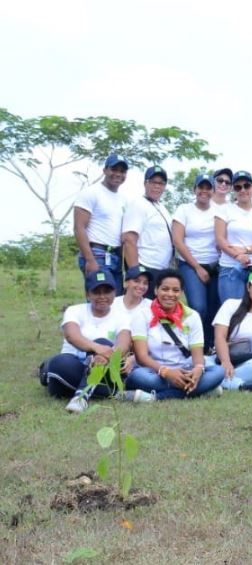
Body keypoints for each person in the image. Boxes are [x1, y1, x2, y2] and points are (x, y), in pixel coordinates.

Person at [41, 270, 143, 413]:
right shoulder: (74, 310)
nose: (102, 296)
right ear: (88, 294)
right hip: (73, 365)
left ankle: (80, 397)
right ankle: (116, 394)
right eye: (96, 292)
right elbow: (72, 336)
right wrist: (97, 349)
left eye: (107, 291)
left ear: (114, 293)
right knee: (58, 363)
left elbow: (124, 344)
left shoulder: (122, 316)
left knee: (104, 342)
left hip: (104, 369)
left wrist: (106, 355)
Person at [125, 269, 225, 399]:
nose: (170, 294)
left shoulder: (192, 316)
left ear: (182, 293)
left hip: (184, 370)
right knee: (138, 377)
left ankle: (154, 398)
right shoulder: (142, 314)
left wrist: (198, 370)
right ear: (156, 290)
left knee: (218, 372)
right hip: (154, 372)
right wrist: (166, 372)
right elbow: (141, 358)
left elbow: (197, 356)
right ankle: (199, 391)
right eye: (165, 289)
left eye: (176, 290)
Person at [172, 172, 220, 344]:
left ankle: (211, 346)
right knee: (198, 307)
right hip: (190, 264)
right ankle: (196, 345)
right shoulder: (184, 209)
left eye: (209, 188)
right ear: (195, 189)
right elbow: (177, 240)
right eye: (201, 187)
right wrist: (197, 268)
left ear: (213, 191)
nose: (204, 191)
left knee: (215, 308)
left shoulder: (220, 211)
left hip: (216, 264)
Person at [214, 170, 252, 301]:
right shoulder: (224, 210)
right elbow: (220, 239)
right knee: (232, 311)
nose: (243, 190)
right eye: (238, 187)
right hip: (230, 267)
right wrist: (238, 255)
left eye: (246, 186)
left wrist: (246, 250)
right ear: (233, 190)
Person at [73, 154, 128, 294]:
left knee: (117, 302)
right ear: (105, 170)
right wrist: (90, 260)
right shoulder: (91, 193)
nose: (118, 174)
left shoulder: (123, 199)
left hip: (115, 257)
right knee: (100, 301)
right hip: (97, 255)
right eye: (114, 169)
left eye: (122, 171)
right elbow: (79, 227)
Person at [122, 165, 174, 297]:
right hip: (145, 267)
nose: (157, 186)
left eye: (161, 183)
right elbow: (129, 239)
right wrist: (136, 275)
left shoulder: (161, 207)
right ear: (145, 183)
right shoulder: (138, 204)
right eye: (153, 182)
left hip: (161, 269)